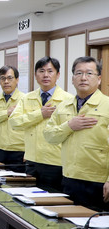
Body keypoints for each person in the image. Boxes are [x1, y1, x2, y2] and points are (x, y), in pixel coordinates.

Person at [44, 56, 109, 210]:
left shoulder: (107, 105)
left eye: (89, 73)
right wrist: (69, 126)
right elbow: (49, 135)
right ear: (72, 79)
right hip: (70, 177)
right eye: (78, 73)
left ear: (99, 79)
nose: (83, 78)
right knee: (69, 227)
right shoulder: (63, 106)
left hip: (98, 181)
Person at [9, 57, 72, 191]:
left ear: (58, 75)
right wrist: (40, 114)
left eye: (50, 71)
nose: (45, 75)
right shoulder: (27, 98)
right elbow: (14, 122)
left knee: (53, 204)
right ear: (36, 75)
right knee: (29, 202)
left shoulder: (68, 99)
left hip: (56, 162)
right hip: (32, 160)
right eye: (41, 71)